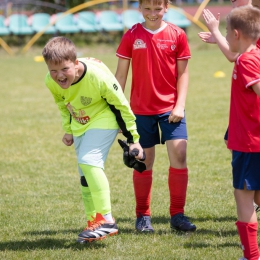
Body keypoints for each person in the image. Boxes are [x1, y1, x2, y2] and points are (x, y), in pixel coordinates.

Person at [42, 36, 144, 243]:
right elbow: (63, 105)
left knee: (89, 161)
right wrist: (69, 129)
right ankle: (93, 223)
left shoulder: (97, 77)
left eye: (64, 69)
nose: (59, 76)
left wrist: (133, 139)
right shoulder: (50, 81)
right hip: (80, 122)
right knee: (84, 175)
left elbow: (121, 105)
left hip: (104, 117)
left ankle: (107, 220)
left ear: (76, 63)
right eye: (53, 71)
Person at [115, 0, 196, 233]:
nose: (152, 13)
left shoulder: (177, 34)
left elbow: (184, 74)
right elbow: (120, 76)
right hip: (139, 110)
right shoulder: (131, 35)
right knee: (143, 161)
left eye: (157, 9)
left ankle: (178, 215)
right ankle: (143, 216)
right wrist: (120, 113)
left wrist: (179, 105)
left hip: (171, 109)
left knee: (180, 154)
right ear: (140, 8)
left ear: (166, 8)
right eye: (147, 8)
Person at [198, 0, 260, 213]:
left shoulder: (247, 56)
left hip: (252, 123)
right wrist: (221, 38)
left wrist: (216, 31)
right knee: (231, 139)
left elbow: (236, 55)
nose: (232, 2)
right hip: (247, 114)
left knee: (244, 190)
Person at [223, 6, 260, 259]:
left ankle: (251, 256)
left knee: (244, 197)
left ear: (236, 34)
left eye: (226, 32)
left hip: (250, 143)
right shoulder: (254, 54)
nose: (225, 36)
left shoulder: (247, 60)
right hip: (249, 139)